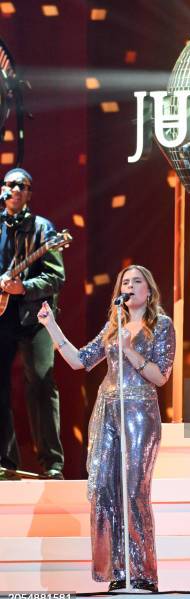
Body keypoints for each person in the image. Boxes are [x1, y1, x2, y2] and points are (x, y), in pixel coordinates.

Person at [37, 265, 175, 593]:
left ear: (149, 289)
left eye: (136, 281)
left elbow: (161, 376)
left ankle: (144, 573)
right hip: (109, 411)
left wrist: (129, 350)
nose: (129, 286)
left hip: (139, 413)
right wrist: (51, 325)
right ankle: (119, 570)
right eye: (125, 282)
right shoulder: (114, 324)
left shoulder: (162, 324)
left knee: (133, 491)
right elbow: (80, 360)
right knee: (106, 491)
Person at [0, 167, 65, 480]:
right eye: (10, 184)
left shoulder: (44, 229)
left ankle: (52, 464)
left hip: (33, 317)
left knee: (40, 381)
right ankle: (4, 461)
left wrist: (23, 287)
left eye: (21, 186)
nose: (14, 190)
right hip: (1, 317)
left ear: (29, 194)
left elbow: (56, 277)